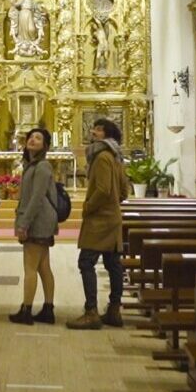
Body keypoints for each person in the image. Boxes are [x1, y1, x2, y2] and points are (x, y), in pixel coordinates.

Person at [67, 118, 130, 329]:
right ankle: (114, 310)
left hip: (100, 220)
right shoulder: (115, 155)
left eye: (99, 130)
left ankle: (91, 312)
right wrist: (113, 205)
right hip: (111, 217)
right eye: (94, 128)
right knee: (113, 264)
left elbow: (103, 190)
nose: (93, 132)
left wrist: (88, 207)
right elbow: (124, 190)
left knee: (86, 262)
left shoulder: (102, 156)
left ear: (108, 134)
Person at [8, 127, 58, 325]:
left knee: (30, 267)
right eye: (31, 137)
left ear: (45, 145)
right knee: (43, 266)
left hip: (38, 221)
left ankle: (26, 310)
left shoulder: (42, 166)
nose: (33, 140)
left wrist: (23, 224)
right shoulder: (32, 165)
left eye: (38, 138)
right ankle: (48, 309)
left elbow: (36, 198)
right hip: (40, 219)